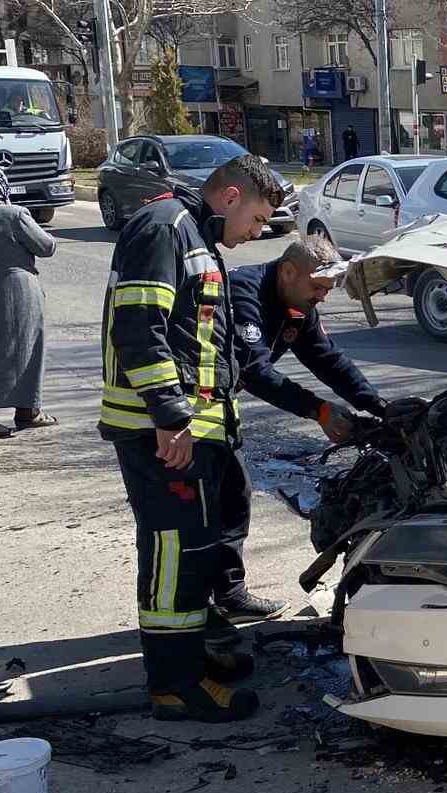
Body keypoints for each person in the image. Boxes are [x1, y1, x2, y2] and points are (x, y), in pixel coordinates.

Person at [99, 154, 285, 723]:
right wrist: (170, 415)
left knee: (195, 547)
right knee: (174, 554)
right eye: (257, 219)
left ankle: (191, 657)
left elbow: (200, 340)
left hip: (184, 430)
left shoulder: (189, 233)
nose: (257, 234)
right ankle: (175, 684)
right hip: (160, 433)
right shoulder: (164, 229)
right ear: (230, 198)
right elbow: (139, 327)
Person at [223, 235, 381, 622]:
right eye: (317, 287)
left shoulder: (298, 302)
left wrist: (378, 405)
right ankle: (198, 610)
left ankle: (227, 594)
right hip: (178, 411)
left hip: (217, 403)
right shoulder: (244, 293)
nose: (322, 297)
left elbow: (326, 358)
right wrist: (320, 411)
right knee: (210, 505)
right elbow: (256, 371)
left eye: (327, 289)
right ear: (288, 271)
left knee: (231, 495)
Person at [0, 169, 58, 438]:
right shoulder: (14, 215)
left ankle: (25, 410)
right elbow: (46, 246)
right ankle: (28, 411)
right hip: (17, 289)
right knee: (27, 346)